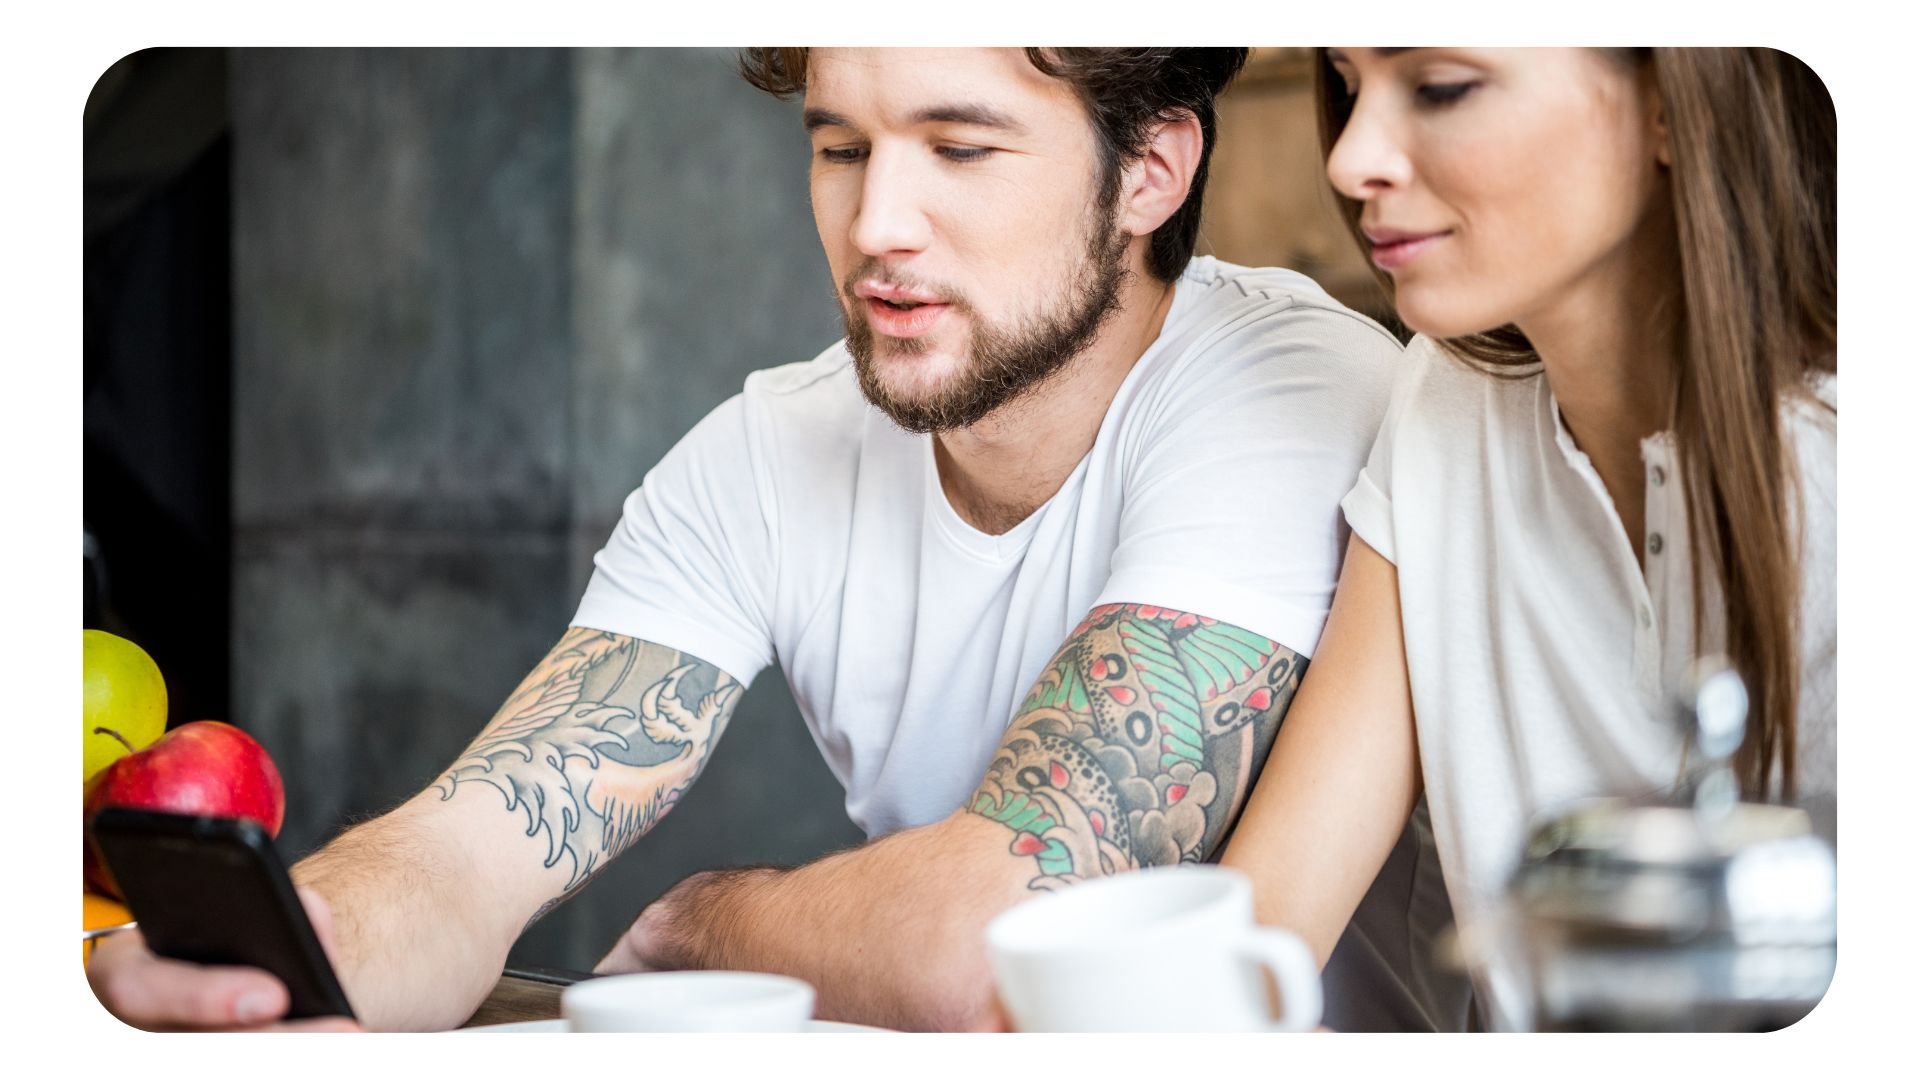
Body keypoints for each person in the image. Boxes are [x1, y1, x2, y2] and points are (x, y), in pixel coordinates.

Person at [89, 47, 1436, 1032]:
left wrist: (707, 927)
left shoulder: (1282, 385)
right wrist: (290, 956)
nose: (875, 228)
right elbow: (471, 847)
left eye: (960, 150)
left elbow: (1005, 951)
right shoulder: (768, 448)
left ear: (1150, 170)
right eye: (841, 146)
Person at [1218, 47, 1836, 1030]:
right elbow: (1261, 926)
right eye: (1345, 81)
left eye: (1441, 87)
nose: (1349, 159)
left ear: (1676, 106)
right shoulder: (1447, 399)